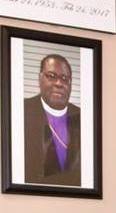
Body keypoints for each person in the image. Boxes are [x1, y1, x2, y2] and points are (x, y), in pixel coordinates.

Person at [24, 54, 81, 186]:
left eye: (65, 79)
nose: (59, 83)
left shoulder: (83, 117)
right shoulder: (22, 110)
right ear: (39, 79)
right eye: (51, 76)